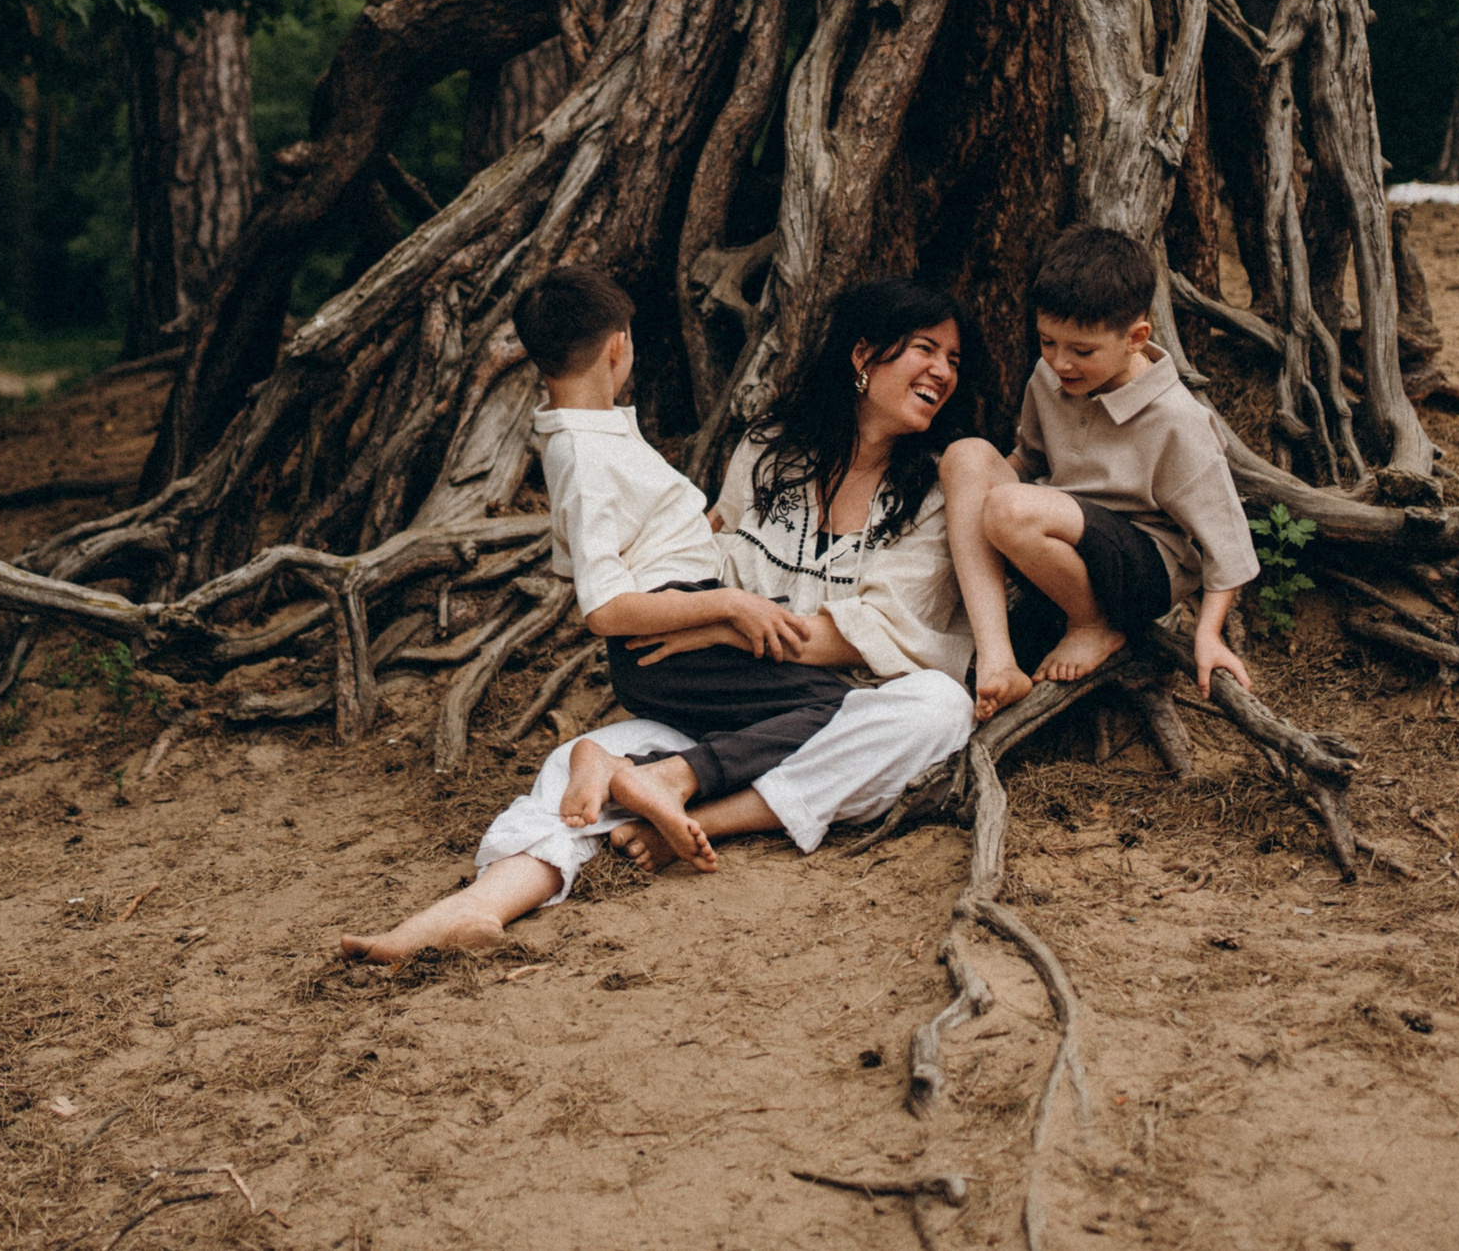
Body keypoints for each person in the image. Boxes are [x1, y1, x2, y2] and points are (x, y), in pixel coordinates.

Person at [339, 279, 985, 963]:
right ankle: (479, 905)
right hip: (729, 696)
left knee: (937, 708)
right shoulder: (772, 451)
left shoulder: (934, 492)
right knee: (573, 760)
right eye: (924, 349)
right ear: (863, 354)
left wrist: (718, 626)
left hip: (845, 718)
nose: (942, 372)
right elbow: (704, 554)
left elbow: (875, 633)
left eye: (953, 360)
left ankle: (687, 800)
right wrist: (708, 614)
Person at [498, 265, 860, 870]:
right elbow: (604, 608)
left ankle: (631, 769)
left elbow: (604, 549)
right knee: (840, 711)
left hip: (674, 631)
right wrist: (731, 604)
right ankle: (636, 771)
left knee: (786, 712)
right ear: (618, 346)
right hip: (672, 640)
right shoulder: (584, 455)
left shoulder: (588, 436)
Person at [939, 224, 1258, 712]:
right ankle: (998, 659)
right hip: (1056, 543)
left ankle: (1093, 625)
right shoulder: (1050, 376)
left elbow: (1228, 545)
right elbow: (1030, 458)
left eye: (1082, 351)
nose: (1060, 363)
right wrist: (969, 494)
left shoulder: (1177, 420)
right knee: (965, 456)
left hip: (1140, 572)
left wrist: (1209, 635)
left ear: (1136, 338)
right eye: (1047, 342)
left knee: (1009, 509)